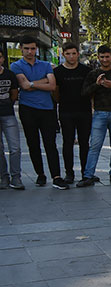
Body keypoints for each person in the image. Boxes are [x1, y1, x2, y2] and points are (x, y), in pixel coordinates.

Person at [11, 36, 63, 189]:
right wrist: (43, 82)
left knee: (50, 143)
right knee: (33, 143)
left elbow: (52, 85)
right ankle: (40, 174)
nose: (30, 51)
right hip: (28, 109)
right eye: (26, 48)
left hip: (47, 109)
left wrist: (33, 83)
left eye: (32, 48)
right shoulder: (16, 66)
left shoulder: (45, 65)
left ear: (37, 49)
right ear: (21, 48)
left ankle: (56, 176)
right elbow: (24, 86)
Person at [76, 45, 111, 187]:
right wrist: (97, 84)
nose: (105, 59)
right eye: (102, 57)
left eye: (107, 56)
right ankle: (88, 175)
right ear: (98, 57)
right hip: (100, 113)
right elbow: (84, 93)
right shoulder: (93, 74)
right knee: (95, 145)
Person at [53, 42, 92, 184]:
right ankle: (69, 173)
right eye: (68, 53)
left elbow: (91, 91)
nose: (71, 56)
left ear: (78, 54)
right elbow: (55, 93)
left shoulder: (86, 70)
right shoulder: (57, 72)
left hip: (84, 111)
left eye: (74, 53)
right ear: (63, 54)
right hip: (66, 112)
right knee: (67, 143)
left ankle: (86, 173)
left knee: (84, 143)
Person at [0, 50, 22, 190]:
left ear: (2, 59)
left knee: (15, 148)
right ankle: (4, 177)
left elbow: (14, 93)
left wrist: (8, 103)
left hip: (8, 114)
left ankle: (16, 177)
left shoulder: (9, 74)